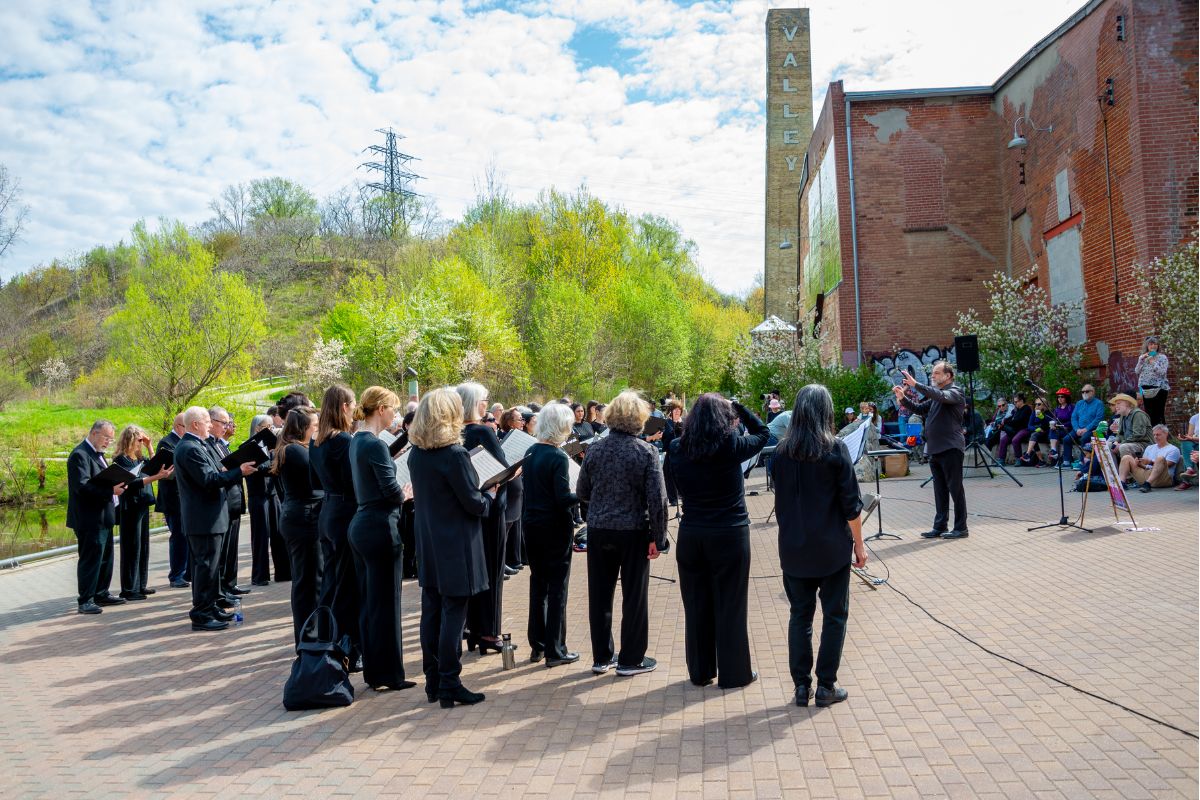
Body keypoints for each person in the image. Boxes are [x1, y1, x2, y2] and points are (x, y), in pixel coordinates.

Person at [772, 384, 868, 707]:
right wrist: (860, 546)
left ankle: (802, 686)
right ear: (825, 412)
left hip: (794, 549)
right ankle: (826, 685)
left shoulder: (780, 454)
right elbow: (852, 507)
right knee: (835, 616)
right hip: (831, 549)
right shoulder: (835, 449)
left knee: (800, 616)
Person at [669, 394, 770, 689]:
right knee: (730, 604)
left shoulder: (677, 448)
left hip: (692, 533)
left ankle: (701, 672)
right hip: (729, 532)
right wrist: (738, 407)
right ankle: (734, 672)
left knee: (697, 605)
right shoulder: (731, 446)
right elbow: (763, 432)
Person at [409, 388, 495, 707]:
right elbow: (472, 503)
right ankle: (449, 682)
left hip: (430, 541)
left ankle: (433, 681)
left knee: (431, 612)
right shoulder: (454, 455)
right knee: (453, 613)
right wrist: (488, 496)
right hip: (456, 542)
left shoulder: (417, 453)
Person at [576, 390, 668, 677]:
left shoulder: (595, 450)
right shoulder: (645, 451)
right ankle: (631, 658)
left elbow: (582, 491)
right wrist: (659, 537)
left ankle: (601, 657)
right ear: (639, 419)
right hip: (633, 531)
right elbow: (658, 500)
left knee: (600, 595)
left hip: (600, 529)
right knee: (634, 596)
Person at [347, 386, 417, 692]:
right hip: (378, 527)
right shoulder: (373, 444)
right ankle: (389, 674)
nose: (396, 415)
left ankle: (376, 672)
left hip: (363, 525)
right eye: (393, 408)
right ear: (380, 409)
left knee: (371, 603)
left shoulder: (358, 440)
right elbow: (390, 491)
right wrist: (407, 492)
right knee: (386, 604)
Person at [174, 407, 257, 631]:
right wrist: (239, 471)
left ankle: (210, 607)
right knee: (206, 567)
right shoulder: (190, 448)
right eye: (206, 422)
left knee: (211, 567)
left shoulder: (198, 445)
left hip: (210, 517)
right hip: (203, 519)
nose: (210, 425)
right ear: (195, 425)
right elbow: (209, 480)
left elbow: (216, 470)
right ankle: (201, 614)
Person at [521, 402, 580, 666]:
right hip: (554, 528)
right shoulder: (556, 456)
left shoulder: (531, 450)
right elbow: (561, 498)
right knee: (558, 588)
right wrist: (583, 494)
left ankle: (538, 644)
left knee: (539, 584)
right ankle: (555, 650)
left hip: (532, 524)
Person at [309, 385, 363, 670]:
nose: (354, 409)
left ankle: (328, 640)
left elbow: (314, 482)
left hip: (328, 512)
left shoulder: (316, 441)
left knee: (331, 582)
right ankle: (345, 649)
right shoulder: (343, 441)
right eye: (352, 404)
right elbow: (356, 482)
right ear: (343, 407)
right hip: (346, 511)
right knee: (346, 586)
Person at [457, 381, 510, 655]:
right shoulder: (482, 431)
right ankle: (489, 631)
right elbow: (502, 467)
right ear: (472, 404)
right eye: (483, 401)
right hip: (490, 508)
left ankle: (471, 627)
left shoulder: (453, 433)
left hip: (467, 510)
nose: (486, 406)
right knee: (492, 570)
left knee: (474, 572)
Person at [893, 361, 968, 539]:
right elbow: (918, 409)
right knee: (939, 489)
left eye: (936, 373)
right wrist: (902, 397)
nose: (933, 376)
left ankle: (961, 528)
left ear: (948, 376)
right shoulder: (936, 397)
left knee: (955, 489)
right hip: (935, 450)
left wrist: (916, 384)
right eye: (932, 373)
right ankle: (940, 526)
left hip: (951, 448)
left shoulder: (955, 392)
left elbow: (941, 396)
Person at [273, 407, 323, 645]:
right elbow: (318, 477)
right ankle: (307, 638)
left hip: (303, 517)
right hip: (302, 520)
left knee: (311, 580)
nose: (318, 429)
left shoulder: (298, 449)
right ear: (303, 428)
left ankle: (310, 635)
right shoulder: (294, 451)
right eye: (314, 425)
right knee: (307, 582)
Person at [67, 421, 127, 614]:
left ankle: (101, 593)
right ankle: (85, 600)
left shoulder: (97, 454)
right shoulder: (80, 455)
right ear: (94, 433)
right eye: (106, 437)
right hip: (89, 518)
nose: (109, 442)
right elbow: (82, 487)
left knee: (105, 557)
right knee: (90, 559)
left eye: (111, 438)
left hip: (104, 515)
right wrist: (111, 490)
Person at [114, 425, 171, 600]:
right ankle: (129, 589)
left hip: (142, 505)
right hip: (130, 506)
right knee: (131, 547)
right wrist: (156, 478)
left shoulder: (138, 458)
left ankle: (141, 585)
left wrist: (150, 446)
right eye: (139, 440)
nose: (140, 443)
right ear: (130, 440)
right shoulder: (121, 460)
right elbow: (133, 483)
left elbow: (154, 467)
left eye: (142, 440)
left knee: (143, 546)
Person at [206, 407, 251, 601]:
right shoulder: (207, 445)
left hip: (232, 499)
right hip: (219, 504)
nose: (226, 427)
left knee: (231, 549)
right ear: (210, 421)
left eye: (227, 423)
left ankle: (229, 585)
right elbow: (216, 473)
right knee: (221, 553)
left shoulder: (221, 444)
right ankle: (221, 590)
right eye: (222, 423)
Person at [155, 414, 190, 588]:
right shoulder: (167, 443)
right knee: (178, 536)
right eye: (187, 427)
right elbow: (166, 473)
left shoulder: (184, 442)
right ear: (178, 426)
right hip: (173, 499)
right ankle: (176, 574)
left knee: (186, 535)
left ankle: (186, 572)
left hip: (185, 498)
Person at [244, 415, 276, 586]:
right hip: (258, 496)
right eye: (267, 426)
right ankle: (260, 575)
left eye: (272, 426)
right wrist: (276, 460)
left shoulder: (270, 445)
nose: (270, 430)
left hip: (272, 494)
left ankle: (283, 571)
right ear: (257, 428)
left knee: (277, 534)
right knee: (261, 536)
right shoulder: (250, 446)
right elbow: (261, 468)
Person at [1118, 424, 1179, 493]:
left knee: (1160, 458)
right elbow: (1144, 466)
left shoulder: (1173, 449)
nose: (1155, 437)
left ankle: (1148, 484)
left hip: (1163, 479)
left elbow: (1167, 465)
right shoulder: (1150, 447)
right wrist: (1138, 463)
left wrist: (1150, 462)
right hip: (1146, 475)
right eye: (1154, 435)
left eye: (1158, 435)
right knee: (1126, 457)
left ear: (1166, 434)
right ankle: (1121, 483)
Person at [1063, 384, 1105, 468]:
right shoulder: (1079, 403)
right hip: (1078, 428)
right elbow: (1073, 417)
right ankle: (1067, 461)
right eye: (1082, 392)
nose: (1084, 393)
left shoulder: (1098, 403)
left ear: (1092, 392)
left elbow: (1098, 419)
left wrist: (1086, 429)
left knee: (1084, 438)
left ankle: (1082, 462)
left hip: (1092, 429)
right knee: (1066, 439)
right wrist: (1077, 429)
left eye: (1087, 391)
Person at [1134, 335, 1170, 426]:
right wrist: (1140, 360)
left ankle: (1162, 435)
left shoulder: (1162, 357)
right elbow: (1137, 371)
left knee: (1158, 413)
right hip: (1145, 388)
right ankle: (1152, 435)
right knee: (1149, 412)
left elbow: (1162, 372)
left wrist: (1153, 361)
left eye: (1155, 344)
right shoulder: (1143, 357)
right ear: (1147, 346)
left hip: (1159, 388)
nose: (1153, 346)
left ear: (1158, 346)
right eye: (1151, 344)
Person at [1107, 393, 1152, 459]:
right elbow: (1120, 434)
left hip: (1144, 445)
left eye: (1118, 403)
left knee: (1123, 447)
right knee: (1108, 446)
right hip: (1130, 443)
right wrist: (1116, 443)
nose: (1116, 406)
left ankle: (1127, 468)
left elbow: (1138, 435)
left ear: (1127, 404)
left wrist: (1121, 443)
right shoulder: (1123, 415)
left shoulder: (1138, 414)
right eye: (1115, 404)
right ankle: (1115, 469)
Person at [661, 399, 685, 511]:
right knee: (669, 475)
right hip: (670, 453)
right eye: (675, 409)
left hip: (683, 454)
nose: (677, 412)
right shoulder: (665, 422)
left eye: (679, 410)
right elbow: (654, 436)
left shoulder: (684, 422)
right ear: (670, 411)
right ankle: (673, 499)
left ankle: (682, 495)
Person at [996, 393, 1033, 464]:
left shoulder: (1026, 408)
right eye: (1014, 402)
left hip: (1025, 429)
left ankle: (1018, 459)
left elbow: (1018, 420)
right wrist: (1005, 421)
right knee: (1003, 440)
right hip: (1016, 430)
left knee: (1015, 440)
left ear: (1021, 401)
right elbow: (1012, 418)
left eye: (1016, 402)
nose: (1015, 403)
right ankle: (1001, 459)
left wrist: (1007, 422)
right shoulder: (1017, 409)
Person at [1018, 398, 1053, 466]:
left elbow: (1048, 424)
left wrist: (1042, 418)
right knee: (1033, 436)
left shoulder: (1049, 413)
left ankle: (1028, 455)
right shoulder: (1034, 412)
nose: (1037, 406)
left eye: (1039, 404)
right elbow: (1029, 426)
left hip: (1047, 432)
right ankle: (1040, 460)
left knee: (1033, 436)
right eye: (1035, 404)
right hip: (1038, 432)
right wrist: (1037, 429)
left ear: (1044, 405)